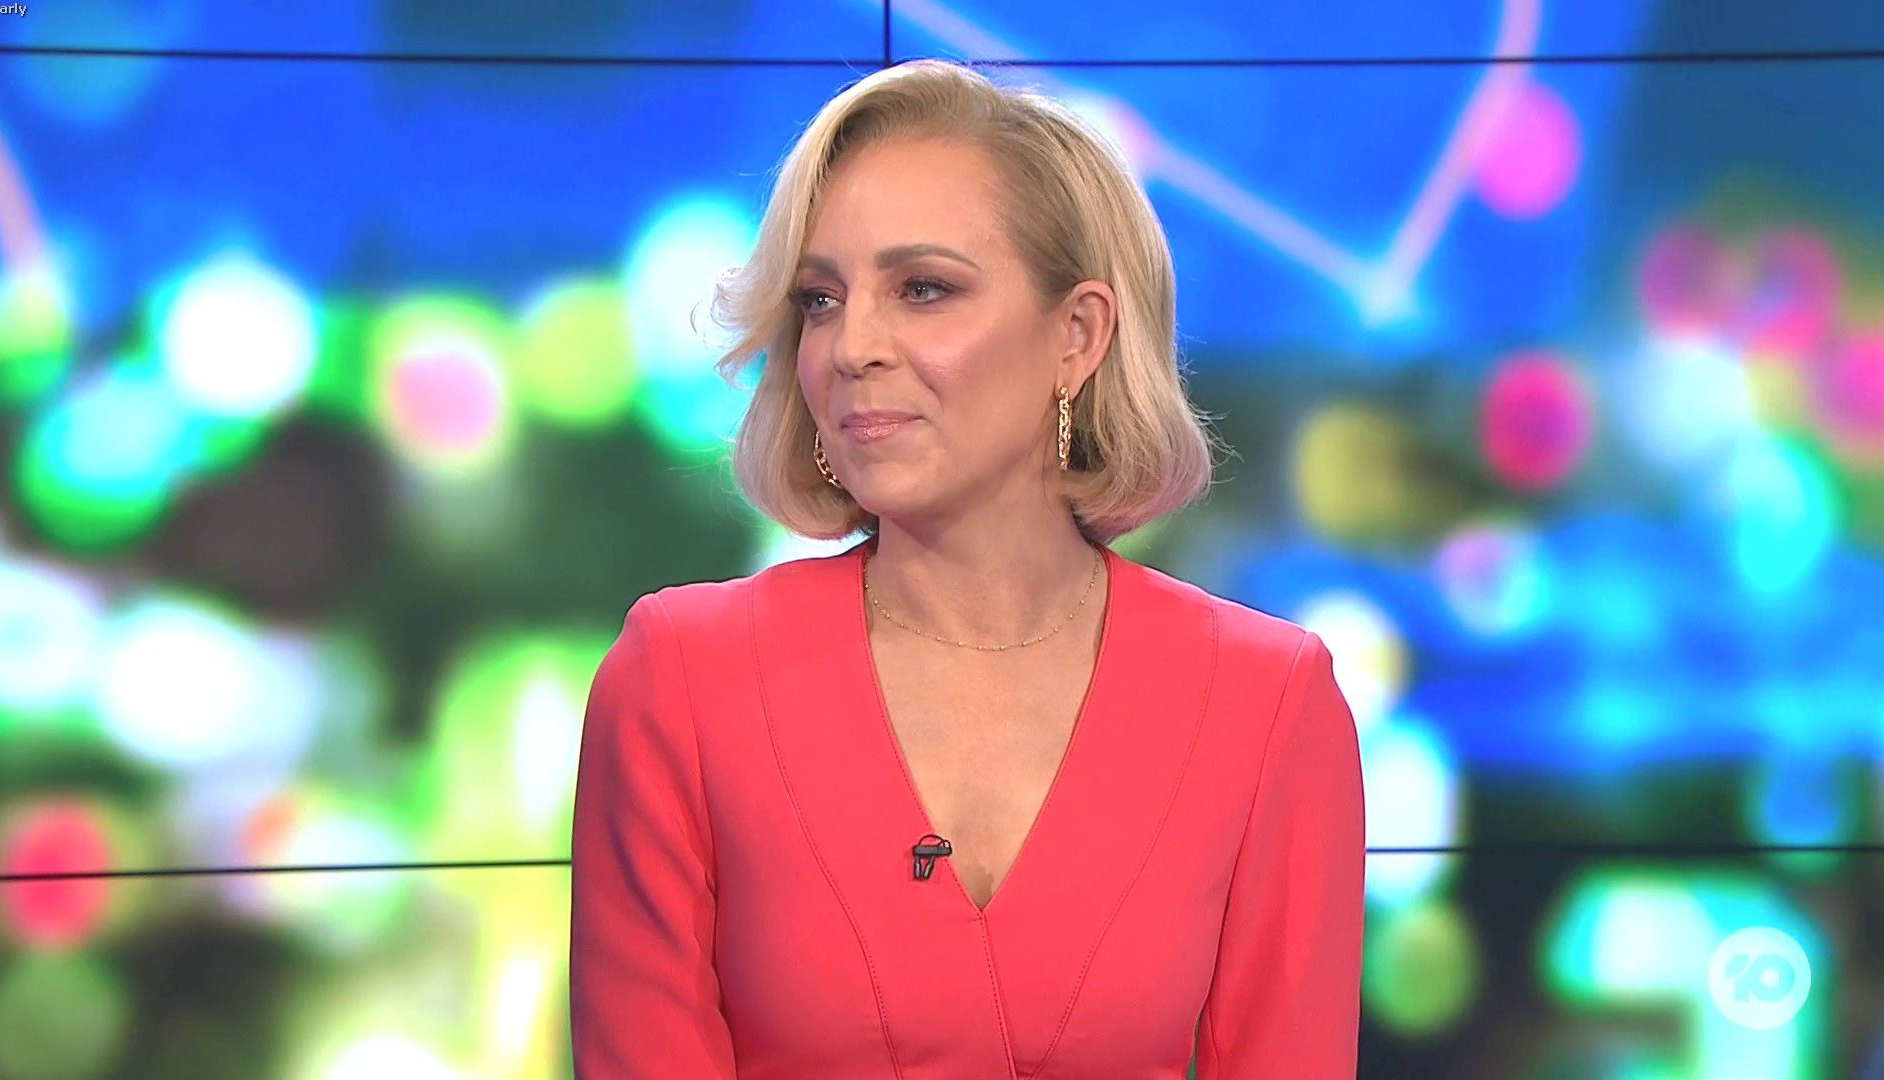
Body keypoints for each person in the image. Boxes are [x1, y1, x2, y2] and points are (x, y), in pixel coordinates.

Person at [569, 58, 1365, 1080]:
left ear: (1077, 335)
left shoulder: (1267, 704)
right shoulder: (681, 682)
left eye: (924, 289)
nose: (851, 347)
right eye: (820, 300)